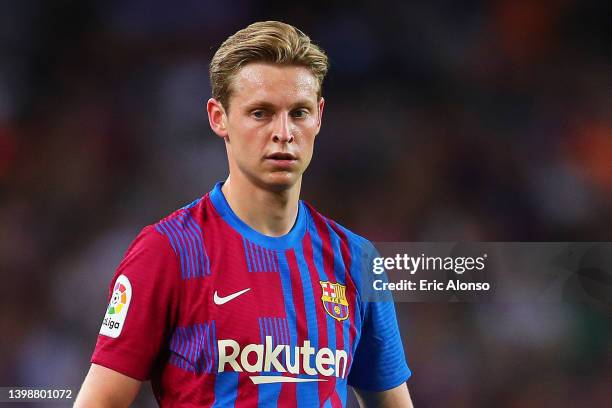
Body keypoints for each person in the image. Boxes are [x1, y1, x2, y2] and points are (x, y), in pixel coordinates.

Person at [75, 21, 413, 407]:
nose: (283, 132)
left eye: (298, 112)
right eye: (260, 113)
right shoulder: (167, 251)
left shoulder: (356, 260)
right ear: (218, 117)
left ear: (319, 116)